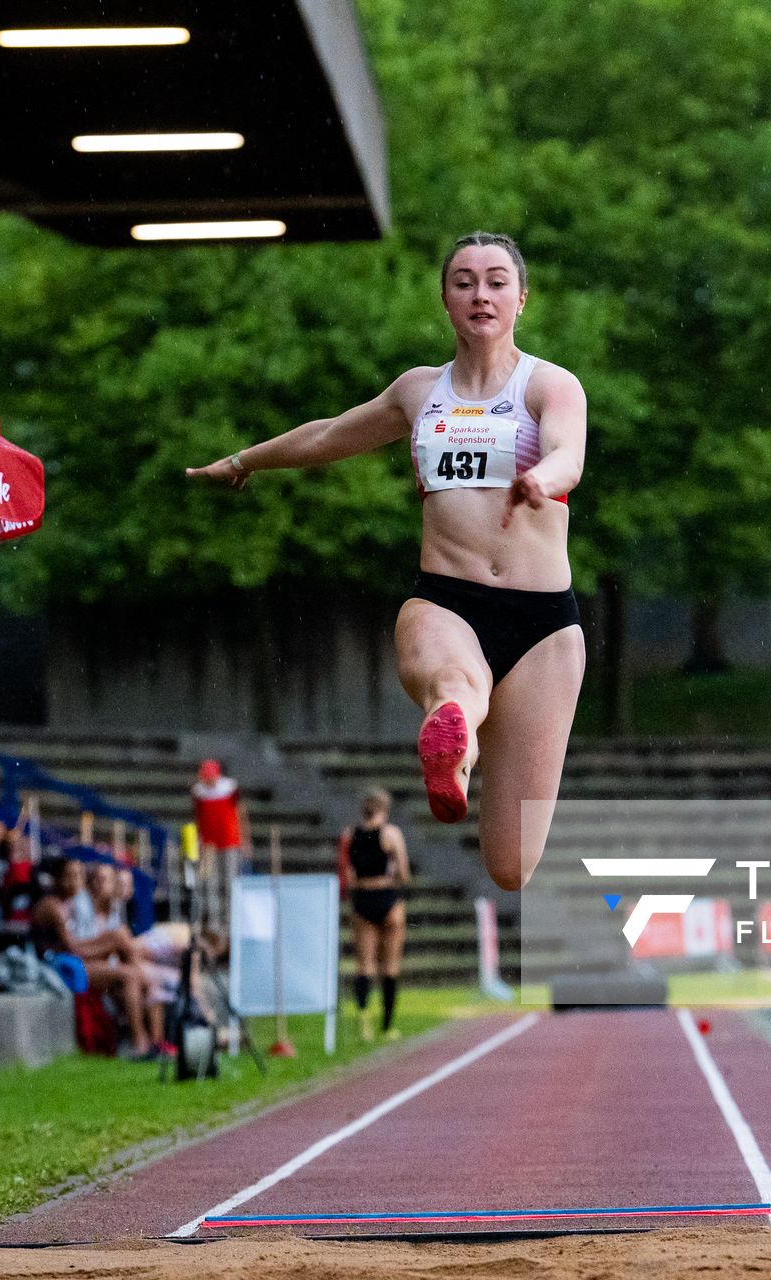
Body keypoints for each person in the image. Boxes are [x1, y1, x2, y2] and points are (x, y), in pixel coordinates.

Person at [188, 232, 587, 890]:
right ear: (445, 299)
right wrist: (244, 460)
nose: (479, 293)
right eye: (463, 281)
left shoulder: (549, 385)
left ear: (522, 298)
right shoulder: (418, 391)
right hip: (447, 601)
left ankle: (460, 743)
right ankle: (456, 726)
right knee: (454, 686)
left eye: (494, 281)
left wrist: (542, 478)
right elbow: (328, 434)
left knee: (511, 866)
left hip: (543, 626)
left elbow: (568, 450)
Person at [31, 857, 164, 1059]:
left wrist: (110, 944)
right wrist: (108, 946)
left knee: (132, 963)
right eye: (69, 876)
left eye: (78, 876)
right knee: (128, 972)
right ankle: (140, 1044)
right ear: (56, 879)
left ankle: (155, 1041)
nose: (75, 882)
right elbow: (71, 948)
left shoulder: (71, 903)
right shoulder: (52, 906)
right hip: (59, 967)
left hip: (74, 962)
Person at [338, 788, 411, 1040]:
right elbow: (403, 872)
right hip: (387, 897)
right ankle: (388, 1026)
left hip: (362, 900)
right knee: (390, 966)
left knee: (364, 965)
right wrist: (392, 871)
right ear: (385, 809)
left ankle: (364, 1021)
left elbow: (348, 875)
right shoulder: (391, 833)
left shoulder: (350, 835)